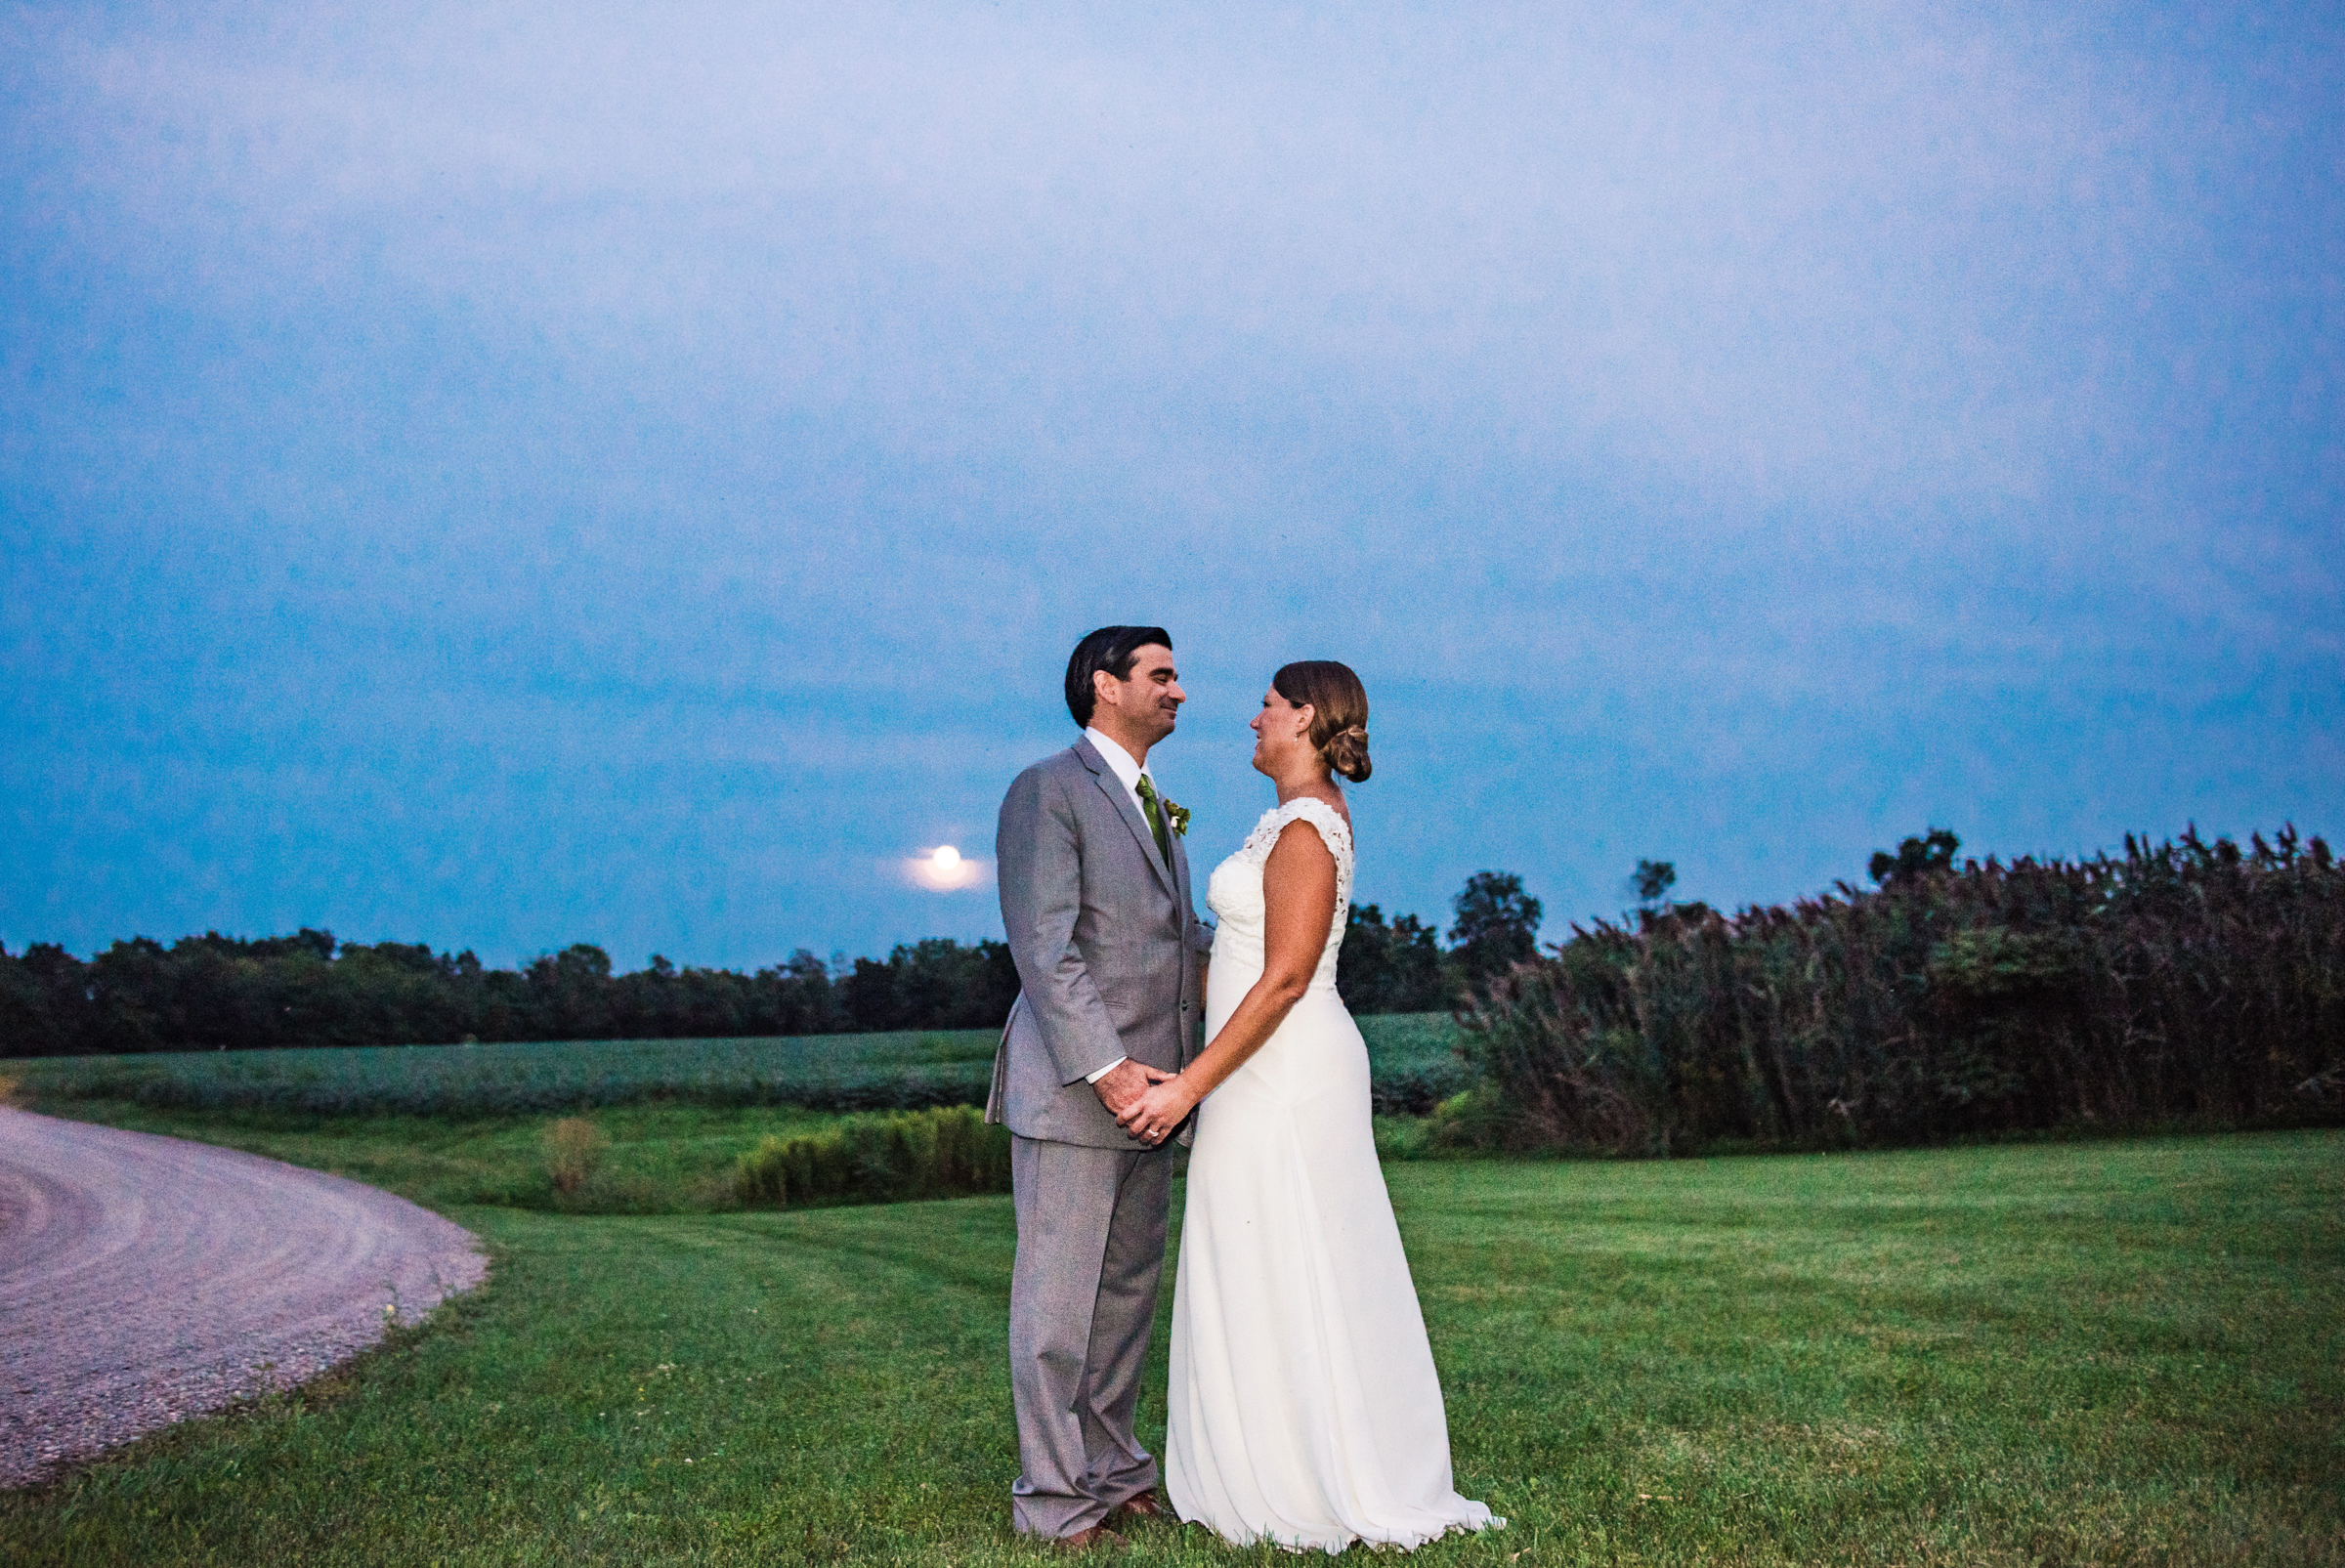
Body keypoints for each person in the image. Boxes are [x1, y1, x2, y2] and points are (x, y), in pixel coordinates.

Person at [1116, 659, 1503, 1553]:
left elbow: (1286, 977)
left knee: (1296, 1251)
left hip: (1286, 1071)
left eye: (1267, 704)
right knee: (1256, 1249)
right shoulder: (1281, 821)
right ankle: (1259, 1464)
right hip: (1252, 1067)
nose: (1251, 718)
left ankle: (1311, 1474)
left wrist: (1188, 1084)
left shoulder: (1308, 827)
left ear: (1305, 716)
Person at [989, 625, 1215, 1550]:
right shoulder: (1047, 789)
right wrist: (1112, 1068)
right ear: (1103, 684)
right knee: (1056, 1310)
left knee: (1124, 1300)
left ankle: (1115, 1469)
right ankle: (1051, 1499)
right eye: (1162, 675)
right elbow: (1044, 945)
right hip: (1077, 1091)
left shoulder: (1156, 805)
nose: (1180, 690)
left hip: (1158, 1095)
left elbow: (1178, 943)